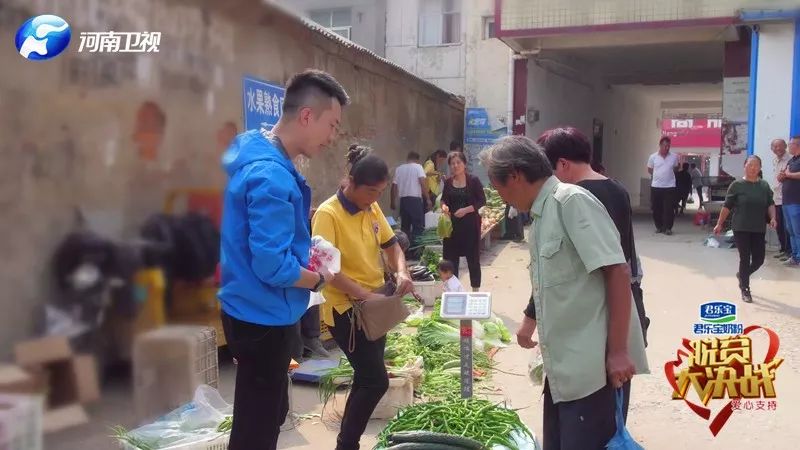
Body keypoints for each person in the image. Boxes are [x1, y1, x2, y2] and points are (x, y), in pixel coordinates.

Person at [480, 135, 648, 450]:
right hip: (563, 369)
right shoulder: (542, 215)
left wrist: (619, 352)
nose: (500, 196)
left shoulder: (572, 202)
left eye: (497, 186)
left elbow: (617, 271)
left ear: (515, 175)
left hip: (593, 372)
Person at [218, 70, 348, 450]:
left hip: (246, 305)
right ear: (307, 116)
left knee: (264, 412)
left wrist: (301, 248)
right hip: (263, 317)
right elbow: (271, 266)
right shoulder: (271, 176)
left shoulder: (254, 148)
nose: (333, 136)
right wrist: (318, 279)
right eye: (332, 124)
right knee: (258, 426)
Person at [312, 145, 414, 450]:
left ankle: (348, 444)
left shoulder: (371, 207)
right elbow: (326, 269)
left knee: (365, 375)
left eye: (380, 192)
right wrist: (363, 295)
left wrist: (402, 271)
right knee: (375, 380)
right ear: (350, 182)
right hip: (346, 308)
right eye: (370, 191)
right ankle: (347, 444)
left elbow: (391, 243)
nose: (375, 198)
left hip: (374, 304)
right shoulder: (327, 215)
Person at [538, 127, 650, 348]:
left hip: (593, 309)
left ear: (562, 164)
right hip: (623, 302)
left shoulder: (575, 198)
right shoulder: (617, 188)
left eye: (550, 172)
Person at [713, 156, 777, 302]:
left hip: (758, 227)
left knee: (759, 259)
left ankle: (742, 275)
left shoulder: (764, 186)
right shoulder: (737, 185)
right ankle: (745, 288)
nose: (753, 168)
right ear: (745, 166)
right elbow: (727, 206)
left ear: (760, 168)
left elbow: (770, 204)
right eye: (750, 165)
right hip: (741, 227)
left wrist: (773, 217)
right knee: (744, 257)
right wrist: (719, 223)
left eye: (756, 165)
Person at [440, 151, 486, 291]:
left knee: (473, 260)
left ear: (464, 164)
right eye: (452, 163)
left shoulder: (473, 181)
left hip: (470, 227)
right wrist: (444, 206)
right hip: (452, 228)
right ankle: (454, 290)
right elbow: (443, 199)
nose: (455, 166)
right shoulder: (448, 182)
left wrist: (466, 210)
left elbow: (482, 200)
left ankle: (475, 291)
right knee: (450, 260)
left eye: (458, 162)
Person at [391, 152, 430, 245]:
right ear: (417, 160)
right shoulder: (418, 167)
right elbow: (422, 183)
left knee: (405, 227)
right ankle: (416, 251)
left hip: (403, 201)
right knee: (418, 226)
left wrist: (392, 201)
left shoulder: (399, 169)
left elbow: (394, 187)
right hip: (415, 201)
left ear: (407, 158)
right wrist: (428, 199)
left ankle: (406, 251)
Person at [647, 136, 679, 235]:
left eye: (668, 146)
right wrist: (659, 175)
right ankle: (659, 226)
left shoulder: (674, 156)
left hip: (670, 186)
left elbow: (676, 168)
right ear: (660, 145)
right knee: (656, 207)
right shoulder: (653, 157)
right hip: (656, 186)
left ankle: (668, 228)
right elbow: (650, 170)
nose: (667, 148)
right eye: (665, 146)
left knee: (669, 208)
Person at [778, 136, 800, 267]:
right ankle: (794, 256)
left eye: (790, 144)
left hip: (796, 201)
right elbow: (784, 175)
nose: (788, 146)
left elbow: (791, 175)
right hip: (786, 201)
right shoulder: (792, 160)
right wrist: (781, 176)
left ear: (796, 145)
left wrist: (788, 175)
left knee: (798, 231)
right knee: (791, 231)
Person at [771, 139, 792, 261]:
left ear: (785, 146)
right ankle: (783, 249)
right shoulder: (775, 160)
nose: (777, 148)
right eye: (774, 146)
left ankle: (789, 251)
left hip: (786, 198)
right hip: (776, 198)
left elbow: (784, 177)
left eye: (779, 146)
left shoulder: (790, 159)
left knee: (787, 227)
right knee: (779, 226)